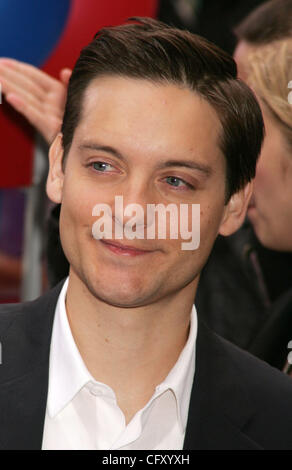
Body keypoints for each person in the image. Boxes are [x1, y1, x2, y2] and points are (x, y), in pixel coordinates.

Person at [1, 17, 292, 451]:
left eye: (176, 181)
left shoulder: (280, 421)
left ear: (234, 205)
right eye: (103, 166)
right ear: (59, 167)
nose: (132, 211)